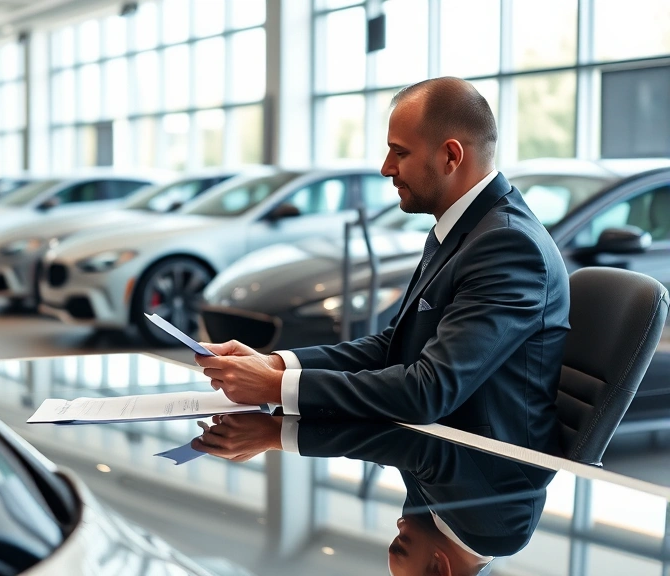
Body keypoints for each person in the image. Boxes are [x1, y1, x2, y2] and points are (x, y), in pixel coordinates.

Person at [195, 77, 571, 454]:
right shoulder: (464, 228)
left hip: (484, 478)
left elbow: (428, 391)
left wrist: (273, 387)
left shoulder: (507, 245)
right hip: (436, 459)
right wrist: (277, 364)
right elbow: (394, 345)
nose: (385, 168)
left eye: (399, 153)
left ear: (451, 157)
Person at [191, 413, 554, 576]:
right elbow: (416, 441)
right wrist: (276, 434)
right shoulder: (500, 531)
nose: (398, 522)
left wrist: (276, 420)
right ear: (438, 568)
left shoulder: (441, 524)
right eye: (402, 542)